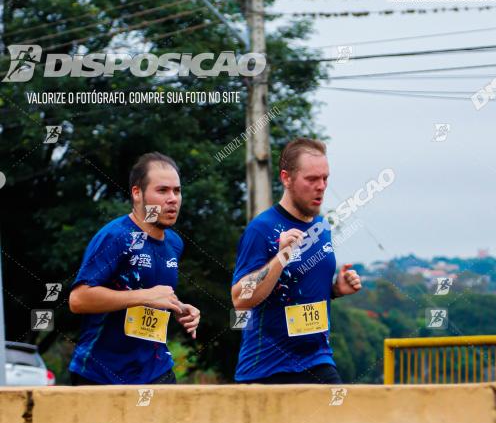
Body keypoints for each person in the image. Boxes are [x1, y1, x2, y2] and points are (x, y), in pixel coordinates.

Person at [231, 137, 362, 384]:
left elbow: (301, 286)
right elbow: (239, 299)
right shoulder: (262, 229)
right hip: (267, 369)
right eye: (312, 179)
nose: (321, 186)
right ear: (286, 178)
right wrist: (280, 258)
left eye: (325, 178)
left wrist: (335, 290)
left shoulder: (322, 227)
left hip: (318, 361)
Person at [68, 152, 200, 385]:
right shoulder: (117, 237)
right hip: (102, 374)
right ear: (137, 193)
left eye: (177, 191)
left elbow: (152, 289)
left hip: (156, 371)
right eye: (162, 191)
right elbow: (78, 299)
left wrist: (178, 308)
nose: (173, 199)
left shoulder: (174, 243)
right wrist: (145, 296)